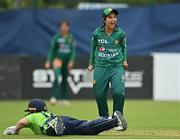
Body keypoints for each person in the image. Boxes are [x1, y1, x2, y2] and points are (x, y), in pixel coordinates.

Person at [87, 8, 128, 127]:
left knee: (119, 93)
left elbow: (124, 47)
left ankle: (117, 119)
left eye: (115, 17)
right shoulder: (96, 33)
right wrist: (91, 63)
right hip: (100, 66)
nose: (113, 19)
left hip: (116, 66)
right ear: (104, 20)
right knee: (99, 94)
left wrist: (125, 60)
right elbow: (93, 48)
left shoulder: (120, 33)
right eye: (110, 17)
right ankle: (105, 121)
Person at [3, 99, 127, 136]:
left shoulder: (35, 116)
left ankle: (55, 127)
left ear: (33, 110)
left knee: (51, 129)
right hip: (62, 119)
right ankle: (113, 121)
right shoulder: (42, 114)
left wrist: (15, 130)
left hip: (54, 122)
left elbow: (22, 121)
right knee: (86, 127)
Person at [45, 20, 76, 105]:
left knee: (65, 79)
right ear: (60, 28)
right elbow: (52, 50)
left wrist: (71, 61)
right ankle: (53, 97)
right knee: (56, 77)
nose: (64, 28)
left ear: (68, 27)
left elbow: (73, 51)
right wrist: (48, 61)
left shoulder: (71, 38)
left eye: (66, 26)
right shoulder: (57, 37)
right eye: (62, 26)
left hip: (67, 62)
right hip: (58, 60)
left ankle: (63, 98)